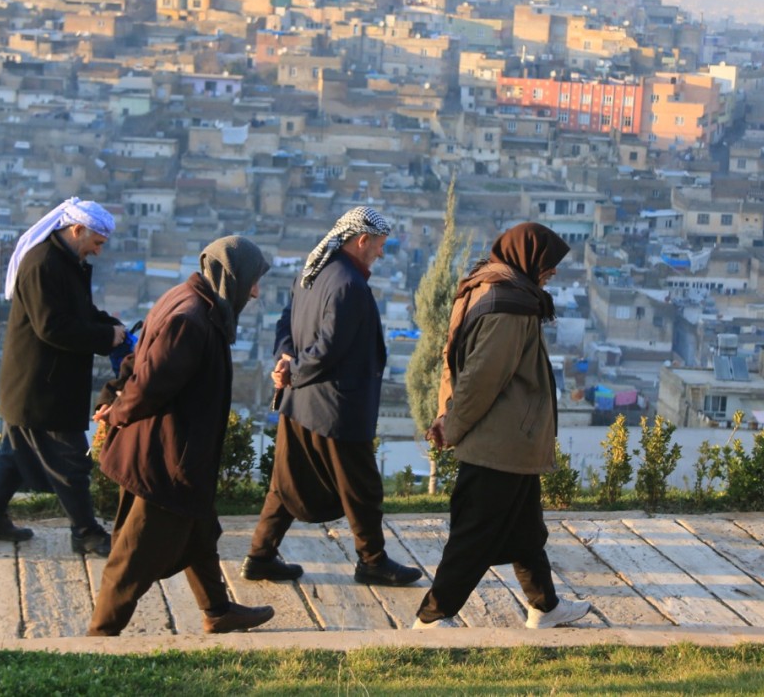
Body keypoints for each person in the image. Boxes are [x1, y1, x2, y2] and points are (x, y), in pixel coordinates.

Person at [88, 236, 275, 636]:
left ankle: (218, 610)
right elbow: (150, 383)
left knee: (200, 532)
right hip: (167, 461)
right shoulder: (190, 320)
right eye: (252, 281)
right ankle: (100, 636)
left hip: (179, 453)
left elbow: (137, 361)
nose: (255, 292)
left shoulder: (186, 300)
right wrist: (116, 411)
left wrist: (113, 401)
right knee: (132, 557)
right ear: (232, 278)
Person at [413, 222, 592, 629]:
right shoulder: (510, 304)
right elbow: (481, 378)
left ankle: (544, 607)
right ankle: (431, 617)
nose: (552, 272)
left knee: (527, 531)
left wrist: (446, 413)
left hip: (511, 440)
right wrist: (452, 425)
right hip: (501, 442)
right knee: (474, 536)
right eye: (548, 263)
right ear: (528, 258)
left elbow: (452, 356)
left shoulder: (486, 285)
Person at [242, 206, 421, 587]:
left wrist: (285, 360)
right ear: (361, 241)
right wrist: (293, 369)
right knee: (362, 489)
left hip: (299, 406)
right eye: (379, 245)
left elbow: (284, 324)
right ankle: (372, 561)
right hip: (336, 409)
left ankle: (260, 555)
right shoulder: (349, 287)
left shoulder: (311, 272)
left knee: (286, 483)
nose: (381, 254)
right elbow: (327, 350)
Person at [0, 198, 125, 556]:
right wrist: (106, 338)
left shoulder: (65, 262)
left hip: (40, 383)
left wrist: (109, 327)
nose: (98, 252)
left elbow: (79, 312)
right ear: (77, 230)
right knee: (71, 461)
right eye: (97, 243)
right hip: (41, 386)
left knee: (14, 455)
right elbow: (52, 326)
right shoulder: (44, 264)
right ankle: (86, 531)